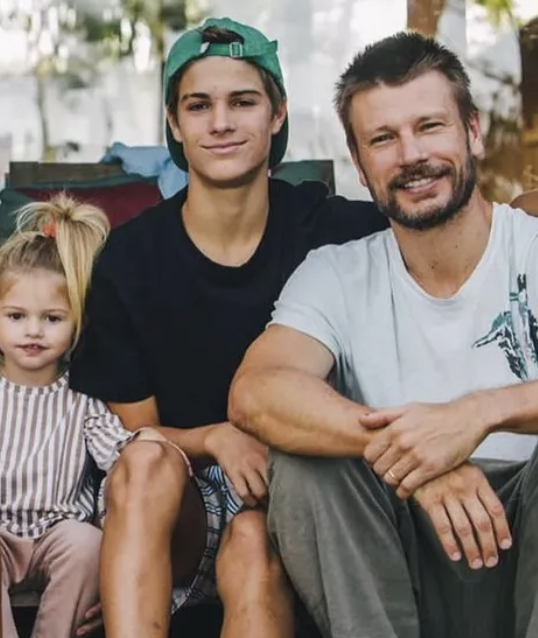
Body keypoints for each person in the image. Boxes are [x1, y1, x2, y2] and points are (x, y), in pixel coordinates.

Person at [67, 16, 394, 638]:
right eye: (199, 105)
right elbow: (132, 437)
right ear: (174, 124)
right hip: (186, 510)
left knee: (251, 540)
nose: (220, 122)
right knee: (143, 465)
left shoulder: (339, 233)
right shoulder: (132, 261)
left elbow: (458, 226)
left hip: (308, 500)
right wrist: (216, 436)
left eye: (243, 102)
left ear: (277, 115)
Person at [229, 32, 538, 638]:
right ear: (359, 159)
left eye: (430, 126)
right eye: (383, 139)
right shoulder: (336, 273)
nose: (411, 155)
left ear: (473, 132)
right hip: (396, 555)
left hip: (526, 532)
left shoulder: (530, 244)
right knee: (305, 462)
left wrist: (476, 415)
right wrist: (417, 458)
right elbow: (257, 391)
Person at [0, 194, 162, 638]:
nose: (33, 330)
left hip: (55, 536)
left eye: (52, 318)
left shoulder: (82, 396)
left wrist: (150, 446)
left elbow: (121, 458)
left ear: (77, 323)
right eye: (17, 316)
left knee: (88, 542)